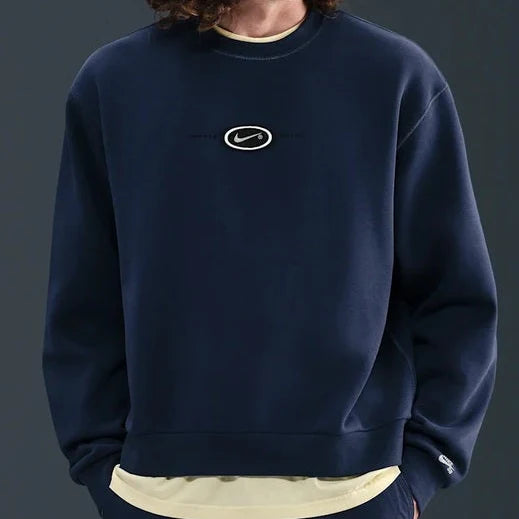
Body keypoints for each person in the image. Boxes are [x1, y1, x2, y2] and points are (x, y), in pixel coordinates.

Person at [41, 0, 498, 518]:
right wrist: (99, 464)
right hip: (157, 495)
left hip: (356, 490)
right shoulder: (115, 81)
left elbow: (456, 298)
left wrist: (426, 467)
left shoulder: (395, 76)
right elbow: (82, 300)